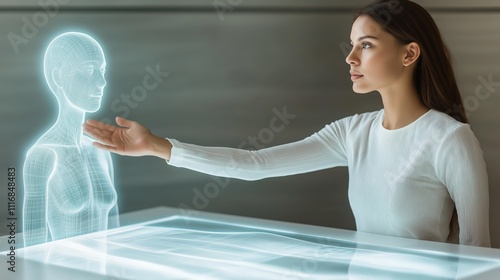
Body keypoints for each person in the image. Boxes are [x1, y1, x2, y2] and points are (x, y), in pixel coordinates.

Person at [83, 0, 490, 247]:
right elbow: (255, 165)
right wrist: (158, 146)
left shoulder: (449, 140)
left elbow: (478, 252)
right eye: (351, 46)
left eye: (365, 46)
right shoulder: (352, 133)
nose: (350, 58)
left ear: (409, 54)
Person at [23, 32, 119, 247]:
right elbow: (33, 247)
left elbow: (117, 235)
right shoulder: (43, 156)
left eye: (102, 70)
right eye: (88, 70)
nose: (102, 82)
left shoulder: (99, 149)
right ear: (58, 77)